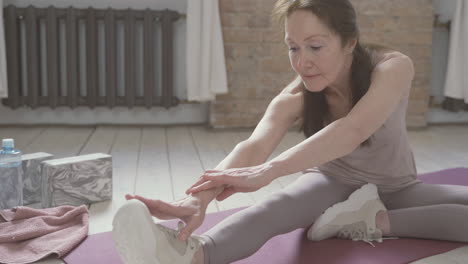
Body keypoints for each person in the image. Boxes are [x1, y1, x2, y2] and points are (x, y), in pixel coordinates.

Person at [111, 0, 468, 263]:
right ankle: (187, 254)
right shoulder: (296, 94)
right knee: (272, 209)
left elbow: (354, 128)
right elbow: (253, 146)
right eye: (293, 48)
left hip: (399, 187)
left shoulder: (392, 67)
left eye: (315, 46)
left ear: (350, 42)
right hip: (332, 183)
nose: (302, 61)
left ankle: (369, 220)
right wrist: (197, 199)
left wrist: (270, 171)